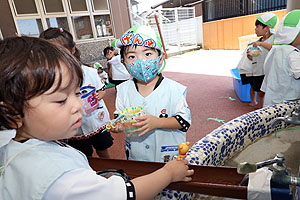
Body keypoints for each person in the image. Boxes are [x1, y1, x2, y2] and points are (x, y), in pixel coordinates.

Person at [0, 36, 194, 200]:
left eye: (77, 93)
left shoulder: (18, 149)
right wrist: (168, 173)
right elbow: (127, 194)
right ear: (14, 112)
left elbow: (184, 120)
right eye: (60, 100)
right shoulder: (60, 178)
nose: (78, 105)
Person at [112, 25, 191, 163]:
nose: (140, 61)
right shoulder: (122, 90)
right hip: (137, 157)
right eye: (132, 56)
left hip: (167, 159)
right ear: (124, 64)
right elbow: (119, 116)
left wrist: (158, 122)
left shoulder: (174, 90)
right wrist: (117, 125)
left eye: (147, 54)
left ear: (160, 58)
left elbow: (184, 122)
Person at [40, 28, 113, 158]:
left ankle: (112, 172)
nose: (56, 57)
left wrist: (98, 96)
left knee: (103, 150)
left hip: (95, 120)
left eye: (61, 52)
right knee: (84, 155)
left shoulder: (89, 72)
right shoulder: (50, 78)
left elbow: (102, 91)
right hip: (73, 127)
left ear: (72, 50)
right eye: (50, 53)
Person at [237, 12, 279, 108]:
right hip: (258, 71)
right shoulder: (259, 40)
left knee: (265, 92)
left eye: (257, 27)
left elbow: (275, 47)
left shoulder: (274, 38)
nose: (255, 29)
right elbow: (259, 56)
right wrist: (251, 57)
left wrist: (260, 44)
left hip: (268, 71)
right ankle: (260, 110)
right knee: (259, 92)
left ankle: (264, 109)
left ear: (267, 28)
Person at [261, 9, 300, 107]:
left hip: (272, 100)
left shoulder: (275, 49)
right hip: (287, 104)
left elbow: (267, 70)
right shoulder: (293, 54)